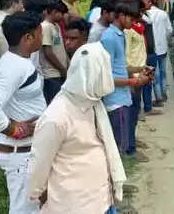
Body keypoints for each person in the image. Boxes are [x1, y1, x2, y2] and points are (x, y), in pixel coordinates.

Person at [28, 42, 126, 213]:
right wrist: (37, 193)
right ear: (93, 76)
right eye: (103, 72)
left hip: (102, 199)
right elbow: (39, 163)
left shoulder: (93, 103)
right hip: (75, 204)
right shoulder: (56, 116)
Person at [0, 11, 45, 214]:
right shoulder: (14, 68)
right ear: (29, 38)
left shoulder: (18, 61)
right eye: (40, 34)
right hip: (20, 154)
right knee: (24, 210)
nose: (43, 38)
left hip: (28, 151)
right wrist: (15, 130)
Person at [100, 2, 151, 154]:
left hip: (123, 97)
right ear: (121, 16)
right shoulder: (109, 37)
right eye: (132, 19)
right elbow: (106, 75)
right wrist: (133, 81)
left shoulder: (120, 35)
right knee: (118, 146)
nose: (134, 23)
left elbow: (121, 67)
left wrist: (140, 70)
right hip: (115, 100)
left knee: (122, 141)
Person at [124, 0, 153, 160]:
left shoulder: (138, 28)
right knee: (131, 112)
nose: (142, 14)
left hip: (141, 72)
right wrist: (131, 78)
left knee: (135, 111)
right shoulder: (128, 32)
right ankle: (130, 148)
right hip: (133, 76)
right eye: (140, 12)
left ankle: (133, 140)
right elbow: (127, 56)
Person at [142, 0, 172, 106]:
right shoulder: (163, 13)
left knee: (156, 74)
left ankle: (158, 97)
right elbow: (169, 30)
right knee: (163, 72)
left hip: (151, 48)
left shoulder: (144, 16)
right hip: (162, 47)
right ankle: (164, 94)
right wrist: (166, 40)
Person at [40, 0, 69, 105]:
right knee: (54, 105)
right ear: (53, 12)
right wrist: (62, 68)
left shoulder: (56, 26)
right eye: (61, 13)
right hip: (51, 74)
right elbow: (48, 52)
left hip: (60, 73)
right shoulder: (45, 27)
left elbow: (61, 48)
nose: (62, 16)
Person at [0, 0, 23, 66]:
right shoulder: (2, 24)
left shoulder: (6, 21)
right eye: (21, 3)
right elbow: (5, 52)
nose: (22, 7)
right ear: (14, 5)